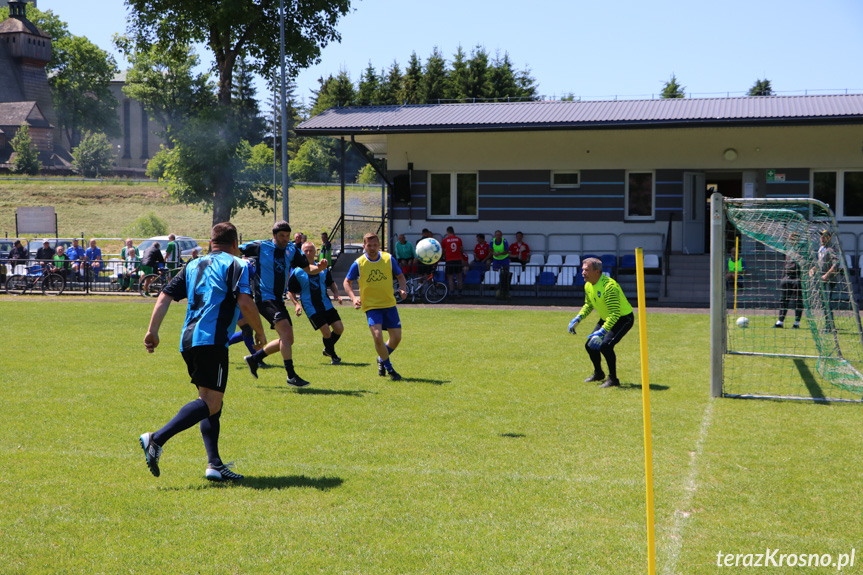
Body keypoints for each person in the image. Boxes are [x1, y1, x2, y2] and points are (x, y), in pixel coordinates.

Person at [139, 222, 266, 481]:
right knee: (210, 402)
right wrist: (260, 332)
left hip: (188, 340)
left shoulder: (193, 265)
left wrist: (153, 330)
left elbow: (164, 296)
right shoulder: (237, 265)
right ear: (235, 245)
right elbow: (244, 300)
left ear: (210, 243)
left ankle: (214, 464)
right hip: (213, 340)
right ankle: (156, 438)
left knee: (211, 403)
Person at [241, 220, 328, 387]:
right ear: (274, 235)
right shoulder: (261, 246)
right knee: (286, 334)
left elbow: (308, 269)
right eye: (281, 236)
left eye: (287, 236)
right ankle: (291, 375)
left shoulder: (291, 249)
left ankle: (255, 358)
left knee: (288, 338)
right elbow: (235, 249)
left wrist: (320, 268)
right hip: (264, 298)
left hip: (278, 300)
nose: (285, 239)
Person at [343, 233, 407, 381]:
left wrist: (403, 289)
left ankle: (381, 358)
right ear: (364, 246)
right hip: (371, 307)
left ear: (379, 245)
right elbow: (347, 282)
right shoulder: (359, 263)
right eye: (369, 245)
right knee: (378, 337)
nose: (372, 248)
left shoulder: (388, 259)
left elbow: (401, 276)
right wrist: (353, 298)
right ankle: (389, 368)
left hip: (389, 305)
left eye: (375, 245)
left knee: (396, 338)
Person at [567, 257, 635, 388]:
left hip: (622, 319)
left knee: (605, 345)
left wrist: (602, 332)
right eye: (583, 270)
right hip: (607, 318)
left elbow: (615, 313)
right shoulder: (588, 285)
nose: (583, 273)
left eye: (586, 270)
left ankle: (613, 379)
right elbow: (588, 304)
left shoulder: (609, 287)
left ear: (597, 272)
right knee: (589, 345)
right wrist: (578, 318)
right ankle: (598, 373)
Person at [288, 241, 345, 364]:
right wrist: (296, 304)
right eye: (306, 251)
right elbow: (290, 291)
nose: (308, 253)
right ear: (302, 253)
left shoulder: (323, 268)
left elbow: (331, 283)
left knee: (339, 328)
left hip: (325, 303)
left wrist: (336, 293)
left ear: (315, 252)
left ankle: (328, 348)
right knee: (325, 331)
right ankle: (333, 355)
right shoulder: (297, 271)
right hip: (310, 306)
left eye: (311, 250)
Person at [810, 228, 840, 330]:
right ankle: (828, 325)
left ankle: (831, 327)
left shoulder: (831, 249)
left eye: (825, 236)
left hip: (829, 280)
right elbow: (820, 262)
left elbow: (836, 264)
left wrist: (827, 275)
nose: (822, 238)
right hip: (821, 279)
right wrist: (813, 269)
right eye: (821, 236)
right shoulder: (821, 248)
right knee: (823, 303)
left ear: (830, 238)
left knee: (827, 303)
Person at [775, 234, 803, 329]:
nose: (792, 241)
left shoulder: (802, 250)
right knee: (783, 300)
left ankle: (796, 323)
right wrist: (782, 278)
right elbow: (785, 264)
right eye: (791, 239)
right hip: (787, 278)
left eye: (794, 239)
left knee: (797, 301)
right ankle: (780, 322)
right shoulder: (788, 251)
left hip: (797, 278)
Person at [442, 226, 464, 297]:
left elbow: (443, 251)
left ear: (447, 232)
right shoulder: (459, 239)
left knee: (450, 277)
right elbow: (461, 249)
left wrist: (445, 256)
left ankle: (452, 292)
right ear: (453, 231)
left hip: (449, 260)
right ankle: (460, 292)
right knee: (459, 277)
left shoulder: (445, 240)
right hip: (458, 260)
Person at [490, 230, 511, 299]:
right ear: (495, 235)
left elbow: (507, 251)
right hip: (496, 259)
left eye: (499, 235)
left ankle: (505, 290)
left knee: (505, 272)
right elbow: (490, 250)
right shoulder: (492, 241)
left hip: (504, 259)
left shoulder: (504, 241)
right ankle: (498, 287)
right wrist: (494, 254)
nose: (498, 236)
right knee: (496, 271)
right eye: (496, 235)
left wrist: (500, 254)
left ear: (501, 235)